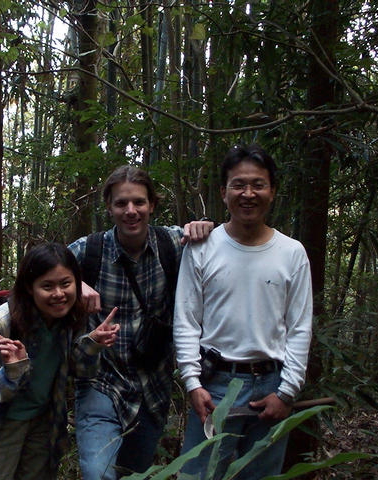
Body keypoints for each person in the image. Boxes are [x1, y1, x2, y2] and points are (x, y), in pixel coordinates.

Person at [173, 144, 313, 479]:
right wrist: (192, 383)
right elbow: (186, 319)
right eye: (238, 185)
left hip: (271, 384)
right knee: (197, 473)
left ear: (272, 191)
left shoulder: (292, 253)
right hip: (214, 383)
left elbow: (299, 327)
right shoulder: (202, 247)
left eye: (258, 185)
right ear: (223, 193)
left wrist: (287, 392)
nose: (248, 193)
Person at [68, 165, 213, 479]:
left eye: (139, 202)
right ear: (109, 208)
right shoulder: (88, 250)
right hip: (101, 382)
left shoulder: (172, 244)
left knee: (134, 475)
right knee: (99, 474)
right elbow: (34, 273)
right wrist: (73, 285)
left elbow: (227, 240)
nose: (130, 211)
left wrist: (206, 226)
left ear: (152, 205)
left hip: (153, 387)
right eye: (121, 203)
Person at [0, 243, 120, 480]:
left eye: (65, 284)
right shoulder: (1, 323)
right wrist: (13, 370)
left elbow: (76, 370)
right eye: (47, 286)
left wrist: (92, 344)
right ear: (29, 288)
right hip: (1, 425)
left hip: (44, 421)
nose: (58, 294)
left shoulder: (70, 317)